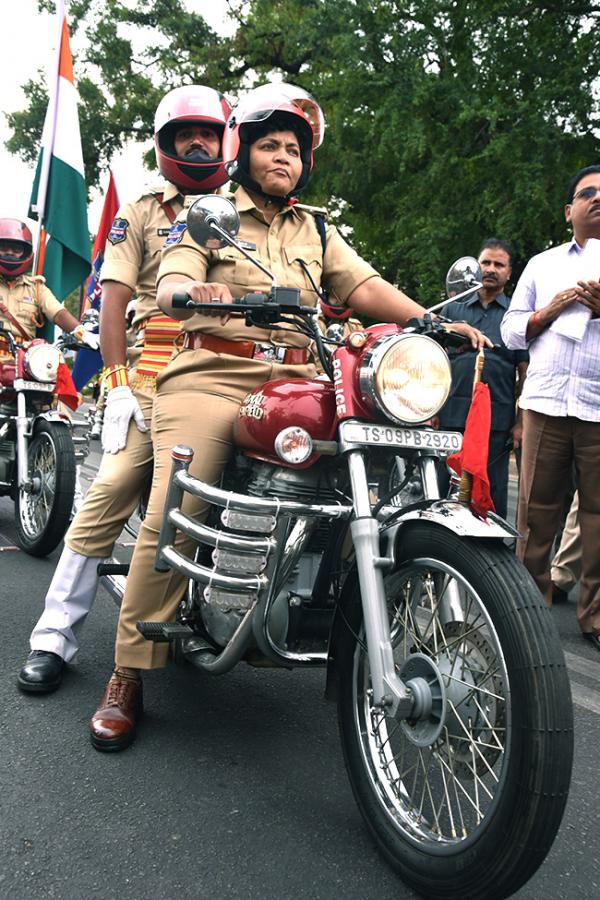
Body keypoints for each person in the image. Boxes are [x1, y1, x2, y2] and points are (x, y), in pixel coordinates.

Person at [85, 82, 490, 752]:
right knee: (173, 507)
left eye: (295, 150)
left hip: (302, 374)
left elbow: (360, 288)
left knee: (390, 456)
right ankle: (128, 671)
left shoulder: (316, 229)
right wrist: (193, 291)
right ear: (243, 150)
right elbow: (174, 279)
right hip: (211, 375)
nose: (285, 158)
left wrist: (427, 319)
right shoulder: (210, 213)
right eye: (271, 145)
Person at [17, 85, 231, 693]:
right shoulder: (138, 212)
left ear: (226, 142)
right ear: (164, 145)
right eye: (184, 134)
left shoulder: (242, 205)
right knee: (110, 491)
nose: (197, 143)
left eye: (209, 134)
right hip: (153, 376)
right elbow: (111, 301)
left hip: (232, 376)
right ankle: (54, 638)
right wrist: (117, 385)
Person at [501, 164, 600, 653]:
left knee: (599, 517)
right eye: (588, 193)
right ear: (569, 211)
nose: (598, 199)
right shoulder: (543, 265)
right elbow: (510, 331)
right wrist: (552, 309)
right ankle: (530, 610)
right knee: (536, 513)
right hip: (544, 404)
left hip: (599, 410)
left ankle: (594, 618)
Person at [437, 239, 528, 519]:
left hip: (496, 417)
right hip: (451, 413)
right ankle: (434, 557)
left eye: (498, 264)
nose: (490, 269)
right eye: (485, 263)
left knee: (491, 490)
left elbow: (526, 371)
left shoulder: (516, 313)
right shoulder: (453, 309)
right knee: (443, 488)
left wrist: (521, 422)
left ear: (509, 273)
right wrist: (432, 413)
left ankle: (489, 557)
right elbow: (434, 358)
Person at [0, 217, 96, 351]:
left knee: (58, 369)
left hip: (24, 357)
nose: (10, 253)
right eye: (3, 247)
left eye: (16, 249)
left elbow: (58, 313)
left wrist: (83, 333)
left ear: (26, 252)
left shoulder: (36, 288)